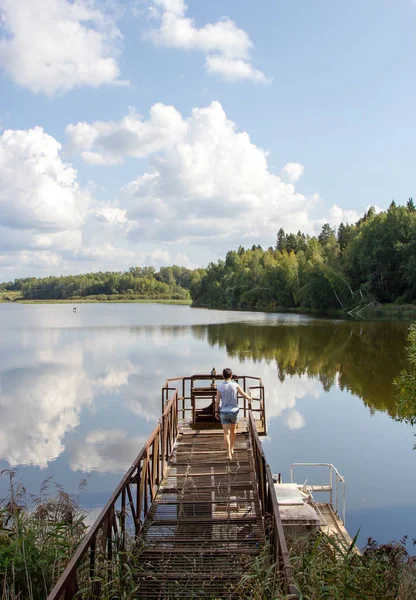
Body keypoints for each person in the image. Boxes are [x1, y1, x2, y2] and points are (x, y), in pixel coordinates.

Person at [214, 367, 252, 459]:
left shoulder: (219, 387)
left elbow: (217, 401)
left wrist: (216, 411)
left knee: (226, 433)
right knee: (233, 432)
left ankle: (228, 454)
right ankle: (231, 448)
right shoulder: (235, 385)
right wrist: (249, 398)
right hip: (234, 412)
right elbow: (243, 393)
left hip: (224, 412)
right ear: (231, 376)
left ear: (223, 376)